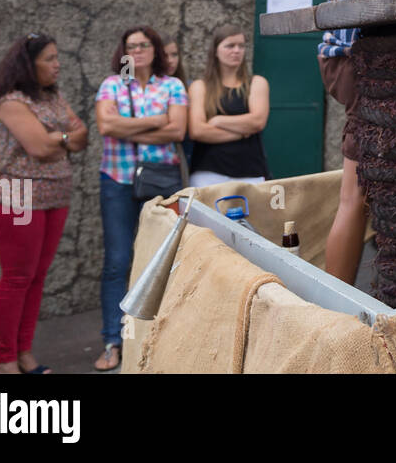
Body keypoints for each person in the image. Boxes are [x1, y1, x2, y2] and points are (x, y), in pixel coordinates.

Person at [0, 33, 88, 374]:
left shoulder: (54, 98)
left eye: (58, 57)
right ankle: (4, 360)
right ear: (30, 64)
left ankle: (24, 353)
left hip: (55, 194)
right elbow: (39, 148)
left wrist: (59, 138)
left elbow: (83, 135)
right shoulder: (10, 101)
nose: (58, 65)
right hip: (18, 197)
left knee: (37, 277)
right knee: (17, 278)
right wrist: (62, 138)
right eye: (50, 59)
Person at [93, 26, 187, 371]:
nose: (138, 50)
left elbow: (177, 130)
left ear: (155, 48)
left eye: (144, 44)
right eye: (131, 45)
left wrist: (127, 123)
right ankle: (112, 341)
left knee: (161, 260)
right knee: (118, 261)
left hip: (160, 183)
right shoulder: (112, 84)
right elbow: (106, 126)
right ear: (124, 52)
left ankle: (158, 339)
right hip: (116, 181)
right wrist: (157, 120)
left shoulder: (172, 85)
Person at [321, 0, 385, 284]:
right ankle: (336, 301)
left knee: (359, 193)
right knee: (353, 194)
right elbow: (367, 10)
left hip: (346, 59)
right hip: (355, 62)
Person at [186, 26, 269, 189]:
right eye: (230, 46)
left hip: (250, 173)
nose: (237, 51)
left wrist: (218, 120)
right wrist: (243, 132)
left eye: (241, 46)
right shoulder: (200, 86)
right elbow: (197, 130)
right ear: (216, 51)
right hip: (207, 174)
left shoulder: (256, 83)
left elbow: (257, 121)